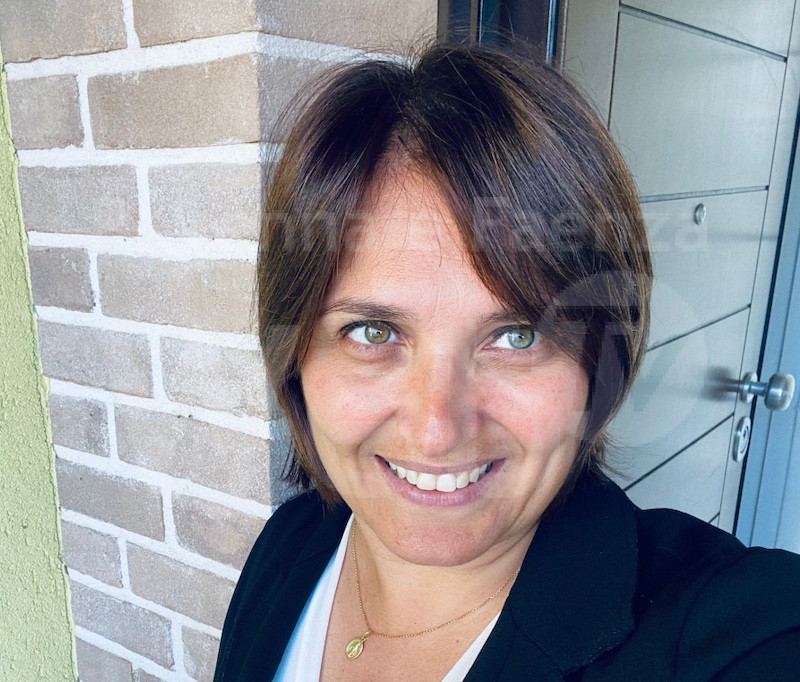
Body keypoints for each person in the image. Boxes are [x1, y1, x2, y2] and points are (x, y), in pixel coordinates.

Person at [214, 43, 800, 681]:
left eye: (518, 336)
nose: (437, 431)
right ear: (296, 357)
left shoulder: (723, 633)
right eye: (373, 332)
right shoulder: (289, 545)